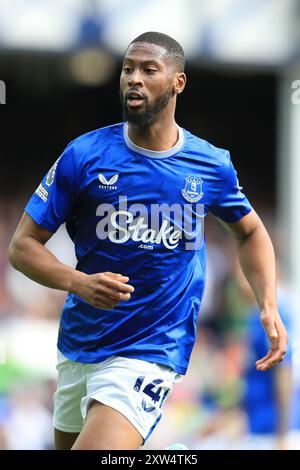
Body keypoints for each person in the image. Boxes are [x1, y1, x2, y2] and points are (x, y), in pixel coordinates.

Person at [8, 31, 288, 450]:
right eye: (127, 69)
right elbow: (22, 246)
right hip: (79, 344)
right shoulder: (84, 155)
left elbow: (250, 231)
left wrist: (268, 303)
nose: (133, 79)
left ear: (178, 83)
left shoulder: (210, 165)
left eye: (148, 70)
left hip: (151, 350)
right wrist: (77, 282)